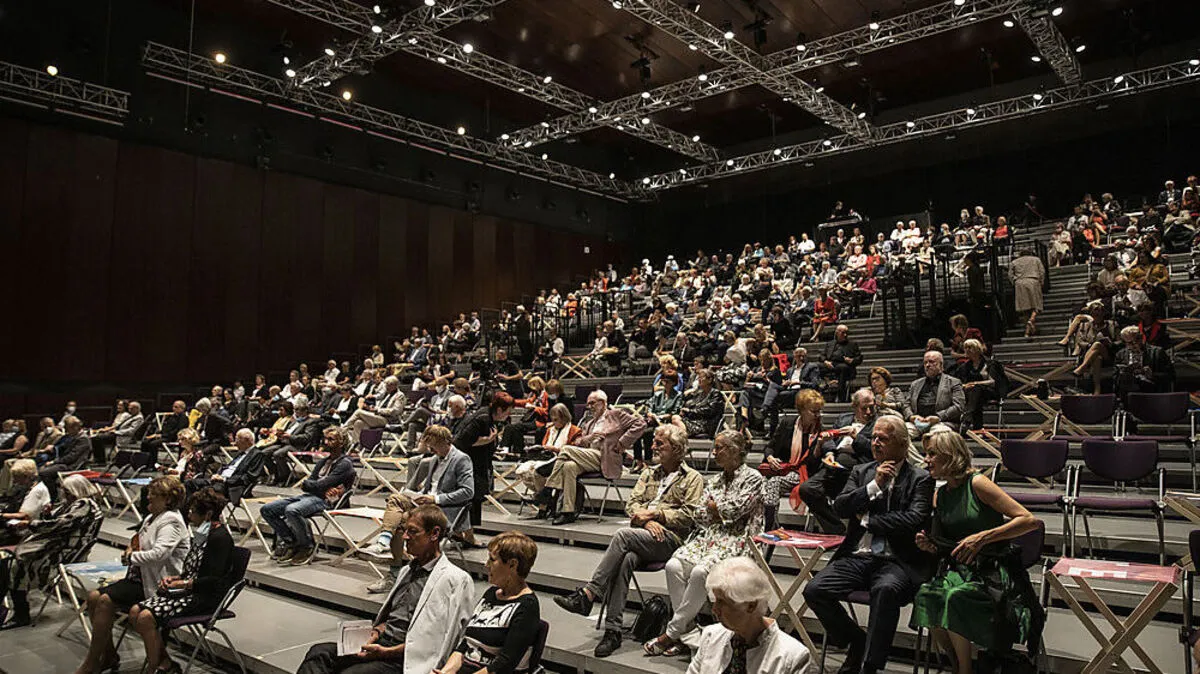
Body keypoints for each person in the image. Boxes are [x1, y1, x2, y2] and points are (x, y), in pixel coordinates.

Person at [554, 425, 705, 658]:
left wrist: (656, 515)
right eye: (654, 442)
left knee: (622, 536)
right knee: (624, 559)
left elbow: (690, 514)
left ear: (676, 449)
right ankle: (613, 630)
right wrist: (645, 522)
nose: (652, 446)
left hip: (673, 540)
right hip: (643, 536)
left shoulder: (693, 478)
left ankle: (589, 593)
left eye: (659, 443)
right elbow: (632, 504)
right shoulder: (648, 473)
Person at [802, 415, 934, 674]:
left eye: (882, 439)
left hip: (896, 560)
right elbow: (840, 507)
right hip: (857, 557)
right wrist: (875, 486)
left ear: (901, 444)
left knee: (885, 591)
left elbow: (914, 519)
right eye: (873, 437)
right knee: (814, 590)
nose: (875, 443)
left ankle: (869, 667)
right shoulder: (861, 472)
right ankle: (856, 640)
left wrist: (869, 520)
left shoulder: (920, 479)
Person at [910, 430, 1044, 674]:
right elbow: (949, 544)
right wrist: (931, 546)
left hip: (993, 572)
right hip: (962, 570)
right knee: (927, 595)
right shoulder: (940, 495)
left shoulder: (978, 483)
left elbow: (1029, 520)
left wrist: (983, 537)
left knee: (954, 598)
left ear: (950, 456)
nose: (925, 460)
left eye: (932, 454)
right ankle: (958, 665)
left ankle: (965, 670)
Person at [297, 505, 474, 674]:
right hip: (381, 644)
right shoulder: (406, 571)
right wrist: (377, 632)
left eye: (412, 531)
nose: (404, 537)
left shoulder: (456, 580)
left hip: (407, 657)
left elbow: (442, 640)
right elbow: (393, 617)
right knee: (319, 653)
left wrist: (386, 652)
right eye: (404, 531)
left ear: (434, 533)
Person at [644, 431, 765, 658]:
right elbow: (699, 514)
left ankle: (672, 633)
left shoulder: (754, 478)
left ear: (735, 451)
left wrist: (716, 508)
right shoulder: (715, 480)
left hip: (739, 540)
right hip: (709, 538)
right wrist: (715, 510)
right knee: (673, 566)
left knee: (701, 572)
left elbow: (737, 509)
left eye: (719, 448)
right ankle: (688, 635)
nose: (714, 452)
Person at [75, 476, 189, 674]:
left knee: (104, 602)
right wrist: (131, 547)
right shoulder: (152, 517)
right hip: (139, 578)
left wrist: (131, 557)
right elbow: (138, 540)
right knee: (94, 597)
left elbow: (159, 554)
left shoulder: (172, 520)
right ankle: (108, 656)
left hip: (159, 583)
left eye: (154, 495)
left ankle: (92, 663)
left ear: (168, 499)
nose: (148, 498)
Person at [129, 488, 235, 673]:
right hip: (189, 589)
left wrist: (185, 584)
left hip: (204, 597)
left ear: (208, 514)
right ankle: (165, 663)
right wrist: (176, 578)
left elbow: (215, 580)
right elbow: (192, 569)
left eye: (194, 511)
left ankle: (154, 667)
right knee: (134, 611)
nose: (189, 514)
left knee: (145, 617)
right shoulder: (202, 534)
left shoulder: (220, 539)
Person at [363, 426, 474, 594]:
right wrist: (418, 495)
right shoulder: (434, 459)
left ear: (445, 442)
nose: (431, 450)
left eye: (434, 445)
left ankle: (392, 570)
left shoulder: (461, 459)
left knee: (402, 523)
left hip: (443, 510)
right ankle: (384, 543)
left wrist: (435, 499)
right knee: (396, 500)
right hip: (425, 504)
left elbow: (468, 491)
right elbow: (431, 487)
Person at [0, 473, 101, 630]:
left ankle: (21, 614)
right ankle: (13, 611)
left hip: (65, 552)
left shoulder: (85, 504)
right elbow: (53, 521)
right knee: (6, 563)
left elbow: (59, 525)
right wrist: (46, 514)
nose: (65, 495)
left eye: (68, 492)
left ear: (78, 490)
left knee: (13, 565)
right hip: (57, 545)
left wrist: (29, 524)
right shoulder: (75, 503)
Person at [435, 531, 541, 674]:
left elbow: (505, 664)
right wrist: (446, 671)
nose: (486, 565)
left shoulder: (527, 606)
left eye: (492, 559)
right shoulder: (491, 594)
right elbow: (466, 644)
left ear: (512, 565)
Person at [686, 557, 811, 674]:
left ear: (751, 606)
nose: (714, 610)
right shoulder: (711, 635)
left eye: (722, 602)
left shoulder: (793, 656)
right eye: (716, 600)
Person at [540, 390, 645, 525]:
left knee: (566, 449)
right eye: (588, 404)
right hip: (588, 458)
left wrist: (622, 442)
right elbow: (578, 442)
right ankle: (568, 512)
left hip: (606, 458)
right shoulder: (589, 423)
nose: (589, 406)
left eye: (592, 403)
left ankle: (548, 489)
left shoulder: (616, 415)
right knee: (568, 466)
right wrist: (589, 438)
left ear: (602, 403)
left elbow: (640, 424)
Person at [262, 426, 355, 566]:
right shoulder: (324, 461)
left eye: (331, 439)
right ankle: (291, 542)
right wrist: (315, 485)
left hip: (326, 501)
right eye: (326, 438)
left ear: (341, 443)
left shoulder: (345, 464)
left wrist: (315, 485)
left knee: (292, 510)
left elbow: (319, 484)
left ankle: (307, 546)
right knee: (267, 509)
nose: (325, 441)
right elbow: (311, 482)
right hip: (309, 496)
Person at [797, 389, 879, 535]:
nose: (868, 411)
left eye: (871, 407)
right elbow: (830, 439)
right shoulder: (843, 419)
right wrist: (829, 452)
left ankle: (853, 533)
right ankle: (837, 529)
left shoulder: (878, 423)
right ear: (854, 407)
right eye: (864, 408)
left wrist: (856, 437)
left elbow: (875, 450)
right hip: (833, 467)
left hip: (858, 470)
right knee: (807, 489)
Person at [762, 389, 833, 531]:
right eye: (814, 411)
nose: (818, 415)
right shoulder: (787, 424)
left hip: (803, 472)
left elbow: (814, 462)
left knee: (773, 483)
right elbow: (770, 447)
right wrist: (770, 458)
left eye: (819, 411)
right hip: (783, 468)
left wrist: (820, 446)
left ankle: (769, 526)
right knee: (761, 484)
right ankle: (766, 523)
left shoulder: (820, 430)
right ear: (802, 410)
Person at [453, 393, 514, 543]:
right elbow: (462, 442)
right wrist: (488, 440)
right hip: (469, 465)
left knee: (473, 499)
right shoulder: (482, 418)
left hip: (476, 463)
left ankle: (460, 532)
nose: (509, 415)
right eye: (508, 411)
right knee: (473, 499)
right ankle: (469, 536)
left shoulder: (487, 416)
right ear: (499, 410)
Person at [902, 351, 965, 441]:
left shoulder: (953, 382)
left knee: (937, 436)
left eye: (932, 362)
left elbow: (959, 406)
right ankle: (915, 456)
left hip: (942, 423)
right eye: (925, 362)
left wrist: (938, 417)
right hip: (917, 423)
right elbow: (906, 404)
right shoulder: (915, 384)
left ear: (941, 365)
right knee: (899, 434)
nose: (927, 365)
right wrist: (911, 417)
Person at [1113, 324, 1175, 402]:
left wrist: (1152, 375)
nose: (1135, 345)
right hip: (1128, 391)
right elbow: (1115, 379)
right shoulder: (1121, 355)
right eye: (1130, 343)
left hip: (1151, 389)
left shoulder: (1157, 352)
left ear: (1142, 338)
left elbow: (1170, 376)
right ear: (1125, 343)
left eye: (1137, 340)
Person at [37, 415, 92, 502]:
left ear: (75, 427)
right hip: (65, 463)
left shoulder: (83, 439)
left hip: (73, 465)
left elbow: (71, 457)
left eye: (67, 428)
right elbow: (62, 448)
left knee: (44, 473)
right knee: (41, 466)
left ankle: (53, 497)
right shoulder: (72, 437)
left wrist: (53, 462)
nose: (65, 430)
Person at [634, 378, 683, 472]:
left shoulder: (678, 395)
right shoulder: (657, 394)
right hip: (653, 421)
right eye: (663, 381)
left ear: (674, 383)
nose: (665, 384)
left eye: (667, 381)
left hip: (666, 422)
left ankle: (648, 462)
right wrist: (650, 414)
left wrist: (660, 416)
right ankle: (639, 462)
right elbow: (649, 406)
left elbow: (675, 411)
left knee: (648, 433)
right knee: (637, 433)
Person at [0, 460, 52, 545]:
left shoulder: (36, 491)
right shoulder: (31, 486)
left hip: (26, 529)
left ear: (26, 476)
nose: (14, 480)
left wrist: (1, 515)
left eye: (16, 477)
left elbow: (23, 515)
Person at [672, 369, 723, 440]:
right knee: (674, 420)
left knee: (675, 420)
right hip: (695, 421)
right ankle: (683, 439)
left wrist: (688, 411)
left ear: (709, 380)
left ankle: (683, 441)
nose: (699, 380)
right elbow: (690, 406)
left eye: (701, 377)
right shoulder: (699, 394)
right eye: (698, 378)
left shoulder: (716, 394)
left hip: (706, 424)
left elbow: (709, 411)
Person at [822, 324, 864, 403]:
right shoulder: (830, 344)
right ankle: (819, 391)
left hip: (846, 367)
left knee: (842, 368)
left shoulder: (852, 344)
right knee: (815, 366)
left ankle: (841, 396)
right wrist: (825, 361)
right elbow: (821, 356)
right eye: (843, 333)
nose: (845, 335)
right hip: (830, 365)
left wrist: (851, 360)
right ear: (837, 333)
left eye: (846, 333)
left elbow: (859, 358)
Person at [1010, 249, 1045, 337]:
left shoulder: (1014, 262)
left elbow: (1010, 274)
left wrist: (1014, 282)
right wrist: (1041, 282)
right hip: (1033, 281)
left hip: (1020, 283)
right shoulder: (1036, 260)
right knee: (1036, 305)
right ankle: (1032, 319)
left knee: (1025, 308)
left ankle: (1027, 332)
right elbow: (1042, 272)